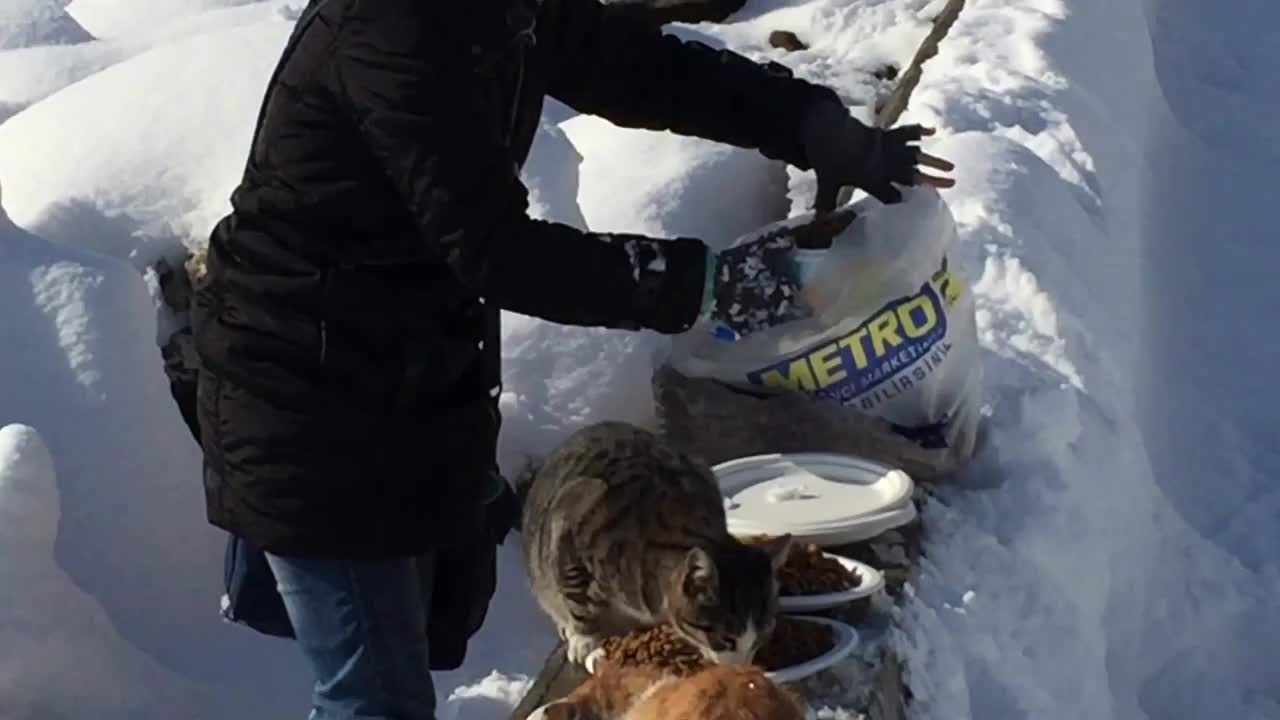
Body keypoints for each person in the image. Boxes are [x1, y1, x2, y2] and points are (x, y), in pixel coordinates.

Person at [189, 0, 955, 718]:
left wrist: (806, 120)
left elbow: (634, 65)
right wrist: (701, 284)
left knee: (392, 668)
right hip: (309, 401)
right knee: (375, 694)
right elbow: (494, 249)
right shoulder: (399, 32)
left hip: (399, 382)